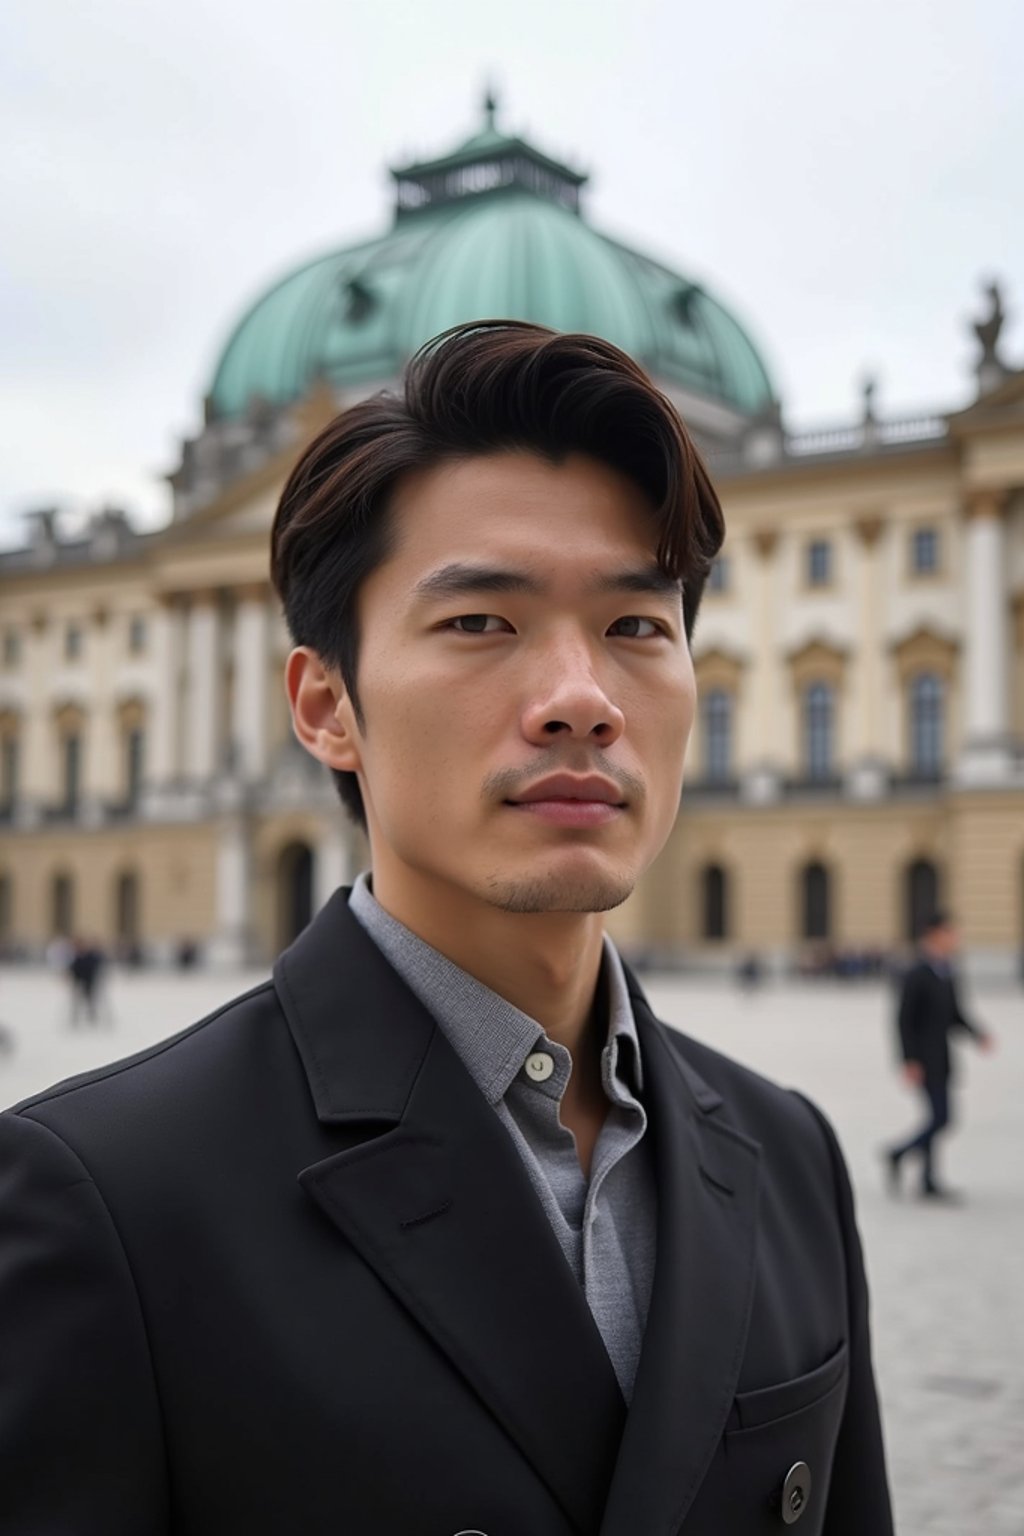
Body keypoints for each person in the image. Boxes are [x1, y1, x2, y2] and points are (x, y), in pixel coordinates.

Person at [0, 322, 893, 1533]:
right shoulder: (102, 1194)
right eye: (482, 622)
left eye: (637, 625)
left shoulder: (791, 1159)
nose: (580, 700)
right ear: (326, 707)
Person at [884, 911, 994, 1201]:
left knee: (935, 1116)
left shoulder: (948, 970)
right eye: (950, 934)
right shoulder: (916, 972)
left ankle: (928, 1180)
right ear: (934, 935)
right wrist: (909, 1061)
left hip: (943, 1056)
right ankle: (897, 1153)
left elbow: (955, 1014)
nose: (955, 939)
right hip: (923, 1059)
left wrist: (977, 1034)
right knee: (941, 1118)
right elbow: (903, 1021)